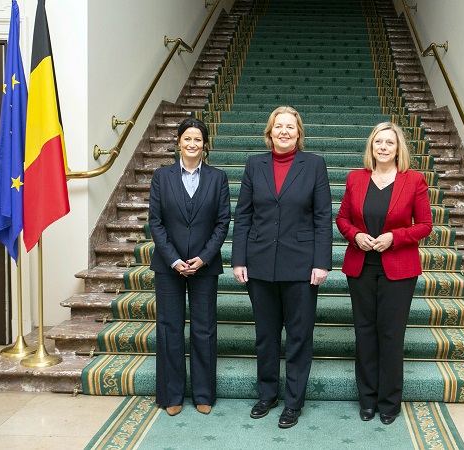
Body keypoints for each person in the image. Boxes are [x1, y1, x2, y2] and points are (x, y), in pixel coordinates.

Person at [231, 106, 332, 429]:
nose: (284, 131)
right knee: (265, 335)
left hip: (301, 265)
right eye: (279, 126)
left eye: (290, 127)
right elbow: (243, 215)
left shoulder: (314, 164)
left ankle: (293, 402)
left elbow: (322, 218)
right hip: (259, 264)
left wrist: (321, 262)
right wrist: (238, 258)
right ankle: (267, 394)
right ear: (270, 132)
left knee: (299, 337)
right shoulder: (254, 164)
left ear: (299, 133)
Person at [335, 122, 432, 425]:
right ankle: (367, 399)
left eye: (389, 142)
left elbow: (425, 224)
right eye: (378, 142)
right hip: (361, 267)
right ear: (371, 147)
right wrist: (354, 236)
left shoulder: (413, 180)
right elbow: (342, 218)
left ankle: (389, 401)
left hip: (399, 268)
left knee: (390, 335)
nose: (383, 147)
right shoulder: (355, 179)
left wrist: (396, 237)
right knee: (365, 333)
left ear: (398, 148)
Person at [148, 117, 231, 417]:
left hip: (204, 266)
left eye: (198, 139)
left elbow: (223, 222)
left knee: (204, 330)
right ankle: (171, 394)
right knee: (170, 329)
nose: (193, 144)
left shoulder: (218, 178)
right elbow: (155, 223)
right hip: (168, 266)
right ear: (178, 142)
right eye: (187, 138)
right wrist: (173, 259)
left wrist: (204, 257)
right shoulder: (162, 177)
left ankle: (203, 393)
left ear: (205, 145)